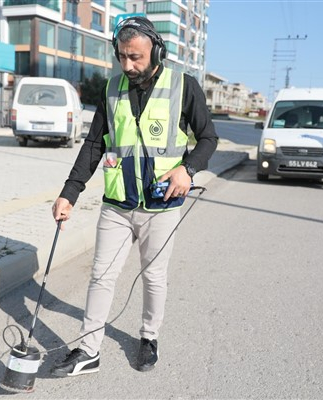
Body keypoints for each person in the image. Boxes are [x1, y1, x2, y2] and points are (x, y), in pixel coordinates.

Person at [50, 16, 218, 376]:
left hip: (161, 206)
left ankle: (149, 337)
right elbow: (94, 144)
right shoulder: (111, 89)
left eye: (136, 57)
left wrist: (187, 170)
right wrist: (69, 193)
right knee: (101, 276)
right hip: (117, 204)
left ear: (156, 51)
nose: (128, 66)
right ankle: (89, 349)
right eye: (122, 57)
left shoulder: (183, 86)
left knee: (153, 276)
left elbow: (208, 139)